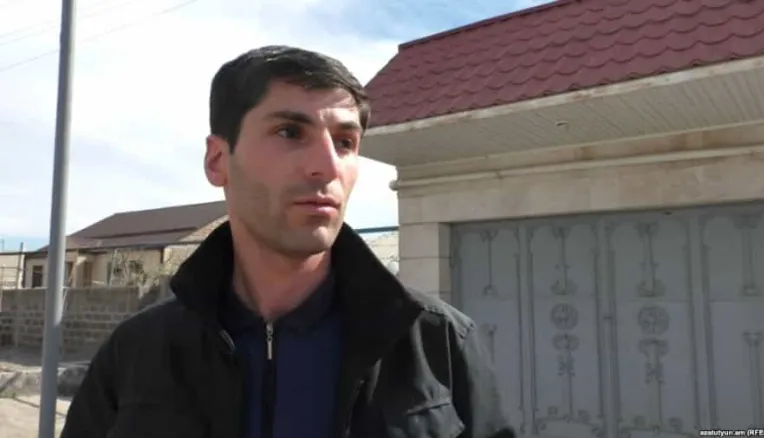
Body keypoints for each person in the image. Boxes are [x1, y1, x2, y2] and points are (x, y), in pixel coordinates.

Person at [61, 45, 514, 438]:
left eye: (345, 142)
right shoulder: (137, 353)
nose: (327, 166)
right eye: (290, 132)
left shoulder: (438, 343)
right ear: (218, 160)